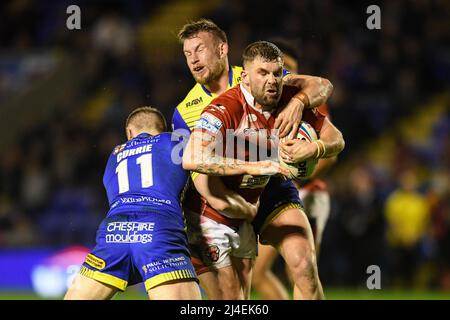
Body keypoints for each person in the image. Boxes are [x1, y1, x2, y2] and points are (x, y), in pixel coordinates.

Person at [172, 19, 334, 299]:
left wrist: (298, 102)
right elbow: (197, 172)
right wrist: (234, 206)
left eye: (199, 49)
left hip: (272, 187)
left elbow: (323, 86)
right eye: (187, 54)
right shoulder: (184, 111)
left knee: (303, 264)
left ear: (222, 49)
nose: (194, 59)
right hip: (224, 198)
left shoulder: (258, 74)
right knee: (237, 295)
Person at [64, 107, 201, 300]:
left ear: (129, 132)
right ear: (162, 129)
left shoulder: (115, 154)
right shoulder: (174, 141)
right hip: (158, 231)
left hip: (113, 233)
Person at [252, 38, 338, 299]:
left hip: (308, 192)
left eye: (288, 67)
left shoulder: (310, 100)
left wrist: (298, 179)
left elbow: (330, 152)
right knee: (276, 272)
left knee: (299, 270)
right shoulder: (262, 103)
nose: (282, 75)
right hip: (287, 193)